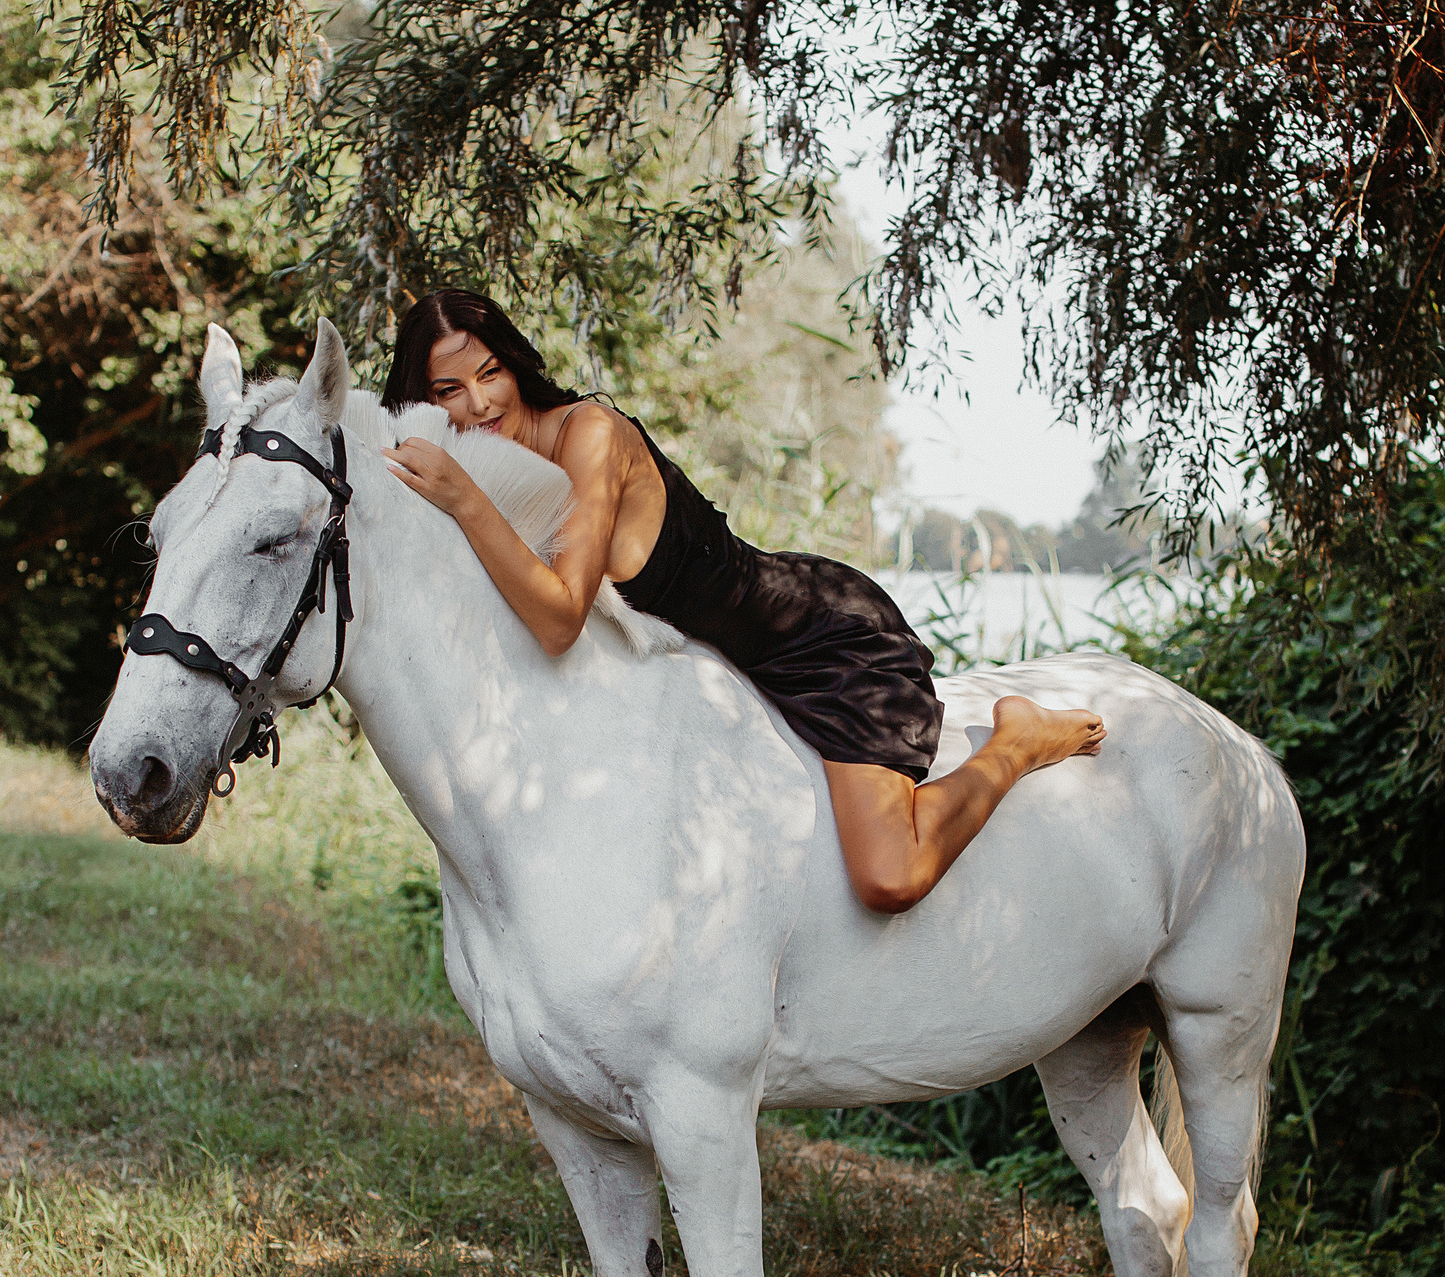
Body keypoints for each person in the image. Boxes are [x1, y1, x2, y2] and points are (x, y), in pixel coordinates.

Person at [379, 290, 1104, 915]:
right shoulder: (499, 467)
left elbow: (561, 618)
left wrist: (463, 497)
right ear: (426, 402)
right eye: (449, 391)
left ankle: (1019, 741)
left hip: (825, 639)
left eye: (490, 373)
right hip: (733, 677)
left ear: (515, 364)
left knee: (891, 875)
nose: (478, 405)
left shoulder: (587, 436)